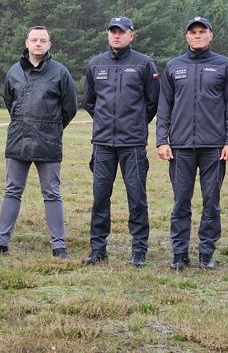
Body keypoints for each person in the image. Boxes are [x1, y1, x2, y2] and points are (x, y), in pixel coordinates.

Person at [0, 26, 77, 259]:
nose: (38, 44)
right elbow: (11, 102)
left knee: (52, 193)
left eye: (43, 40)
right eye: (34, 40)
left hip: (48, 141)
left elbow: (69, 108)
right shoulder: (13, 72)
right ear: (27, 43)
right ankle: (1, 242)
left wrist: (51, 127)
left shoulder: (60, 72)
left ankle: (58, 245)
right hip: (18, 140)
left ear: (50, 44)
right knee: (12, 190)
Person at [156, 16, 228, 270]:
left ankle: (206, 253)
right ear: (186, 37)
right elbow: (164, 107)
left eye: (202, 31)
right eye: (193, 32)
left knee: (211, 201)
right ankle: (180, 254)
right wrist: (162, 140)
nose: (198, 35)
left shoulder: (225, 66)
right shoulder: (173, 66)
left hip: (214, 148)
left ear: (211, 35)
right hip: (180, 147)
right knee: (181, 202)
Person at [81, 17, 160, 267]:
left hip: (133, 144)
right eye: (112, 32)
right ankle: (98, 249)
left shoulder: (144, 64)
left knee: (137, 198)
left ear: (131, 35)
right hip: (103, 144)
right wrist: (106, 123)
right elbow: (90, 102)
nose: (116, 36)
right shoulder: (96, 65)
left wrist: (133, 124)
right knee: (100, 197)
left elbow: (152, 103)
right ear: (108, 35)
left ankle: (139, 250)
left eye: (121, 32)